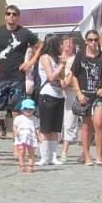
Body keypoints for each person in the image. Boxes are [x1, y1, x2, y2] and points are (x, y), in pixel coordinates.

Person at [0, 5, 43, 138]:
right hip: (0, 76)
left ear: (18, 17)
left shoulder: (25, 33)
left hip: (17, 77)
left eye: (14, 14)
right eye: (8, 14)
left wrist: (32, 61)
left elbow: (41, 45)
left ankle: (18, 144)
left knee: (16, 111)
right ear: (5, 16)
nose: (11, 16)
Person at [71, 30, 102, 166]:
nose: (93, 42)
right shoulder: (80, 56)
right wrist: (78, 93)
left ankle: (99, 154)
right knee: (86, 125)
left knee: (99, 123)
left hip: (98, 94)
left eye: (95, 39)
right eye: (90, 40)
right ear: (86, 41)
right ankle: (87, 155)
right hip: (84, 94)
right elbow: (74, 75)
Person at [37, 35, 66, 166]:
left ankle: (53, 156)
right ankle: (44, 157)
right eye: (60, 44)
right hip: (47, 95)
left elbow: (60, 77)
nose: (61, 47)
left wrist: (63, 68)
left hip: (59, 95)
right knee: (45, 128)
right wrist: (62, 66)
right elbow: (51, 76)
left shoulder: (56, 59)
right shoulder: (45, 58)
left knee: (55, 128)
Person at [58, 34, 78, 163]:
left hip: (71, 91)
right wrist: (61, 81)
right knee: (57, 121)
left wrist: (67, 81)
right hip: (57, 90)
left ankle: (64, 151)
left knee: (69, 120)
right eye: (66, 42)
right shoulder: (56, 58)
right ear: (61, 45)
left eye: (71, 42)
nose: (68, 44)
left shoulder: (76, 58)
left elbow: (73, 72)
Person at [13, 98, 39, 173]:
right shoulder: (19, 118)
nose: (28, 110)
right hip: (21, 138)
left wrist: (38, 136)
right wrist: (15, 133)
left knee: (31, 153)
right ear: (22, 109)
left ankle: (31, 165)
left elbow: (37, 128)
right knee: (21, 152)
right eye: (26, 108)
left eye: (30, 109)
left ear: (33, 110)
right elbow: (15, 126)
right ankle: (22, 165)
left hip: (31, 138)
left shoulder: (35, 119)